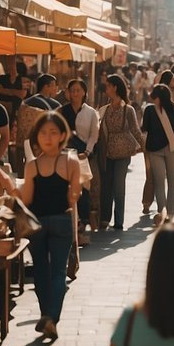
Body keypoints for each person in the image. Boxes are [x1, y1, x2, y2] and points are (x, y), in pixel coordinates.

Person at [0, 112, 80, 341]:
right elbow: (74, 196)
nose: (48, 137)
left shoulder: (33, 166)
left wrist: (7, 183)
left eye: (52, 133)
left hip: (38, 223)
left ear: (62, 135)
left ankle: (46, 314)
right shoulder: (71, 161)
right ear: (37, 136)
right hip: (62, 221)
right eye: (43, 133)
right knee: (58, 272)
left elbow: (26, 200)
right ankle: (51, 317)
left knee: (42, 270)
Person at [98, 74, 145, 233]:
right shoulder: (104, 108)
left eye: (108, 85)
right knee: (106, 187)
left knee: (119, 186)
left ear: (115, 87)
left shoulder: (128, 109)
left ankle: (119, 221)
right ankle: (104, 218)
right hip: (107, 152)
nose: (106, 89)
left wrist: (145, 148)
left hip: (123, 153)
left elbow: (136, 130)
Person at [142, 83, 174, 223]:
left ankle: (161, 210)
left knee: (159, 180)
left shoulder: (149, 110)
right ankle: (170, 213)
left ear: (157, 98)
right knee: (173, 180)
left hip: (155, 149)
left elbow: (145, 129)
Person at [59, 79, 99, 242]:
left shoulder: (90, 112)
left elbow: (94, 134)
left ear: (84, 92)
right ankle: (70, 221)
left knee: (83, 188)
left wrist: (87, 152)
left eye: (78, 90)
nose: (75, 93)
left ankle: (82, 221)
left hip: (83, 155)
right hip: (66, 155)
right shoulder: (62, 111)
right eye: (72, 90)